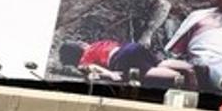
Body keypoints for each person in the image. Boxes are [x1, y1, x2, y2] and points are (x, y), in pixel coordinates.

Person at [58, 39, 197, 88]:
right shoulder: (96, 44)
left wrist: (110, 74)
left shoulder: (84, 59)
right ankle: (189, 67)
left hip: (122, 57)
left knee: (147, 72)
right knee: (159, 63)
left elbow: (92, 67)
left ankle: (180, 77)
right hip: (130, 46)